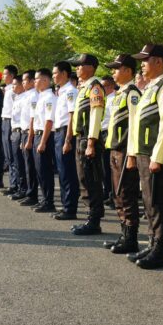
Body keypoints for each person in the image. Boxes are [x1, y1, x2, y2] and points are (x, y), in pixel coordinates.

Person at [128, 44, 163, 268]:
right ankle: (151, 242)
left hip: (156, 156)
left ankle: (159, 249)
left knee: (158, 202)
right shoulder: (151, 87)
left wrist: (158, 156)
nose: (142, 64)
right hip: (144, 153)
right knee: (148, 201)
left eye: (146, 60)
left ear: (158, 62)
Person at [101, 54, 142, 252]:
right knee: (118, 195)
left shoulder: (132, 93)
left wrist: (132, 154)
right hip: (115, 149)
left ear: (127, 70)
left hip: (126, 150)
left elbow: (135, 126)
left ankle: (131, 239)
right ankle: (123, 235)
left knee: (126, 195)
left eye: (116, 68)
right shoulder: (120, 93)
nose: (113, 72)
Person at [68, 54, 106, 235]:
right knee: (84, 179)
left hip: (88, 140)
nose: (77, 68)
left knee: (91, 180)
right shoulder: (84, 87)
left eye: (80, 65)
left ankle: (94, 220)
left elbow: (97, 114)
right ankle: (90, 218)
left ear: (91, 67)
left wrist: (91, 142)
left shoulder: (95, 87)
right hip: (81, 138)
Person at [51, 61, 80, 220]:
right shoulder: (61, 91)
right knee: (62, 172)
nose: (54, 76)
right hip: (58, 133)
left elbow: (72, 116)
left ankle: (70, 208)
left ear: (63, 73)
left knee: (68, 173)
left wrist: (68, 139)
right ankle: (65, 206)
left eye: (55, 73)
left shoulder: (70, 91)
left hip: (65, 133)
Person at [31, 68, 57, 213]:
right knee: (39, 170)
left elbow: (49, 121)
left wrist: (42, 142)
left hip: (45, 136)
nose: (35, 82)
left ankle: (49, 201)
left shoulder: (49, 98)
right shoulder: (41, 97)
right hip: (38, 135)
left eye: (37, 79)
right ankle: (44, 200)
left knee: (45, 170)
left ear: (46, 80)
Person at [17, 70, 39, 205]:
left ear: (31, 81)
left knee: (31, 166)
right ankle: (29, 192)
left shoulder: (33, 96)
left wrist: (29, 138)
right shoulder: (26, 95)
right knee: (26, 165)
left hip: (30, 132)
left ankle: (33, 195)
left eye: (25, 80)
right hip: (24, 132)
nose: (23, 83)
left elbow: (32, 118)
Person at [9, 76, 30, 202]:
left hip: (21, 131)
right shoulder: (17, 98)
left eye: (15, 84)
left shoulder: (25, 98)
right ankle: (19, 187)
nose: (13, 87)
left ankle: (23, 189)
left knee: (21, 164)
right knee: (16, 162)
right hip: (15, 131)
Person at [0, 65, 19, 196]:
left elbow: (15, 109)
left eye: (5, 74)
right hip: (4, 120)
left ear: (12, 76)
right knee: (8, 155)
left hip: (10, 121)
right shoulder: (6, 89)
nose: (3, 76)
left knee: (12, 156)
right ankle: (13, 184)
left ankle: (15, 185)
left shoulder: (13, 90)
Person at [100, 75, 117, 208]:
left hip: (108, 133)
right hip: (102, 133)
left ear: (111, 86)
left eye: (104, 86)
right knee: (103, 167)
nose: (102, 88)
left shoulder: (113, 99)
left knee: (109, 167)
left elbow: (112, 119)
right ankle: (106, 192)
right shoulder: (104, 99)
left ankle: (112, 195)